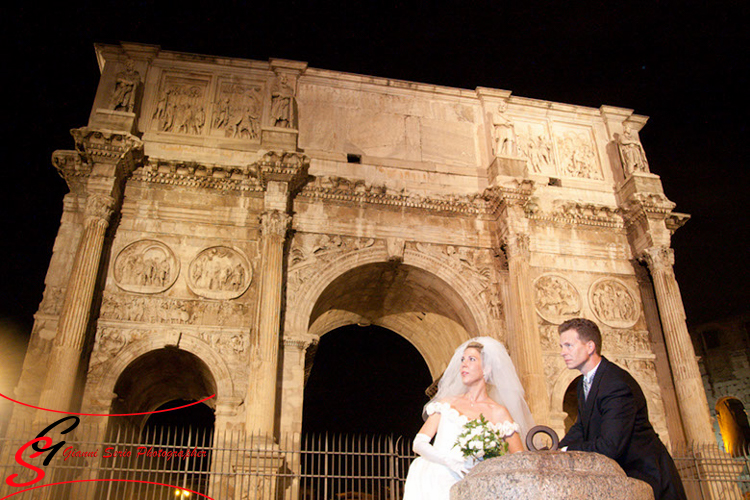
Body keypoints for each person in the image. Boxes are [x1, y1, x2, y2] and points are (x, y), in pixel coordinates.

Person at [558, 318, 687, 500]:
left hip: (647, 477)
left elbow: (610, 445)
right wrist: (555, 450)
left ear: (590, 347)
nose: (563, 352)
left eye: (569, 345)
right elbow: (581, 427)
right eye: (562, 346)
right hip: (623, 477)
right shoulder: (584, 384)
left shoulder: (615, 383)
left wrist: (566, 451)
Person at [402, 337, 533, 500]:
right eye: (462, 359)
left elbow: (518, 458)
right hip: (437, 479)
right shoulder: (446, 404)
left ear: (486, 368)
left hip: (476, 482)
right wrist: (449, 461)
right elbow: (419, 443)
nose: (464, 364)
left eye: (472, 359)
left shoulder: (499, 412)